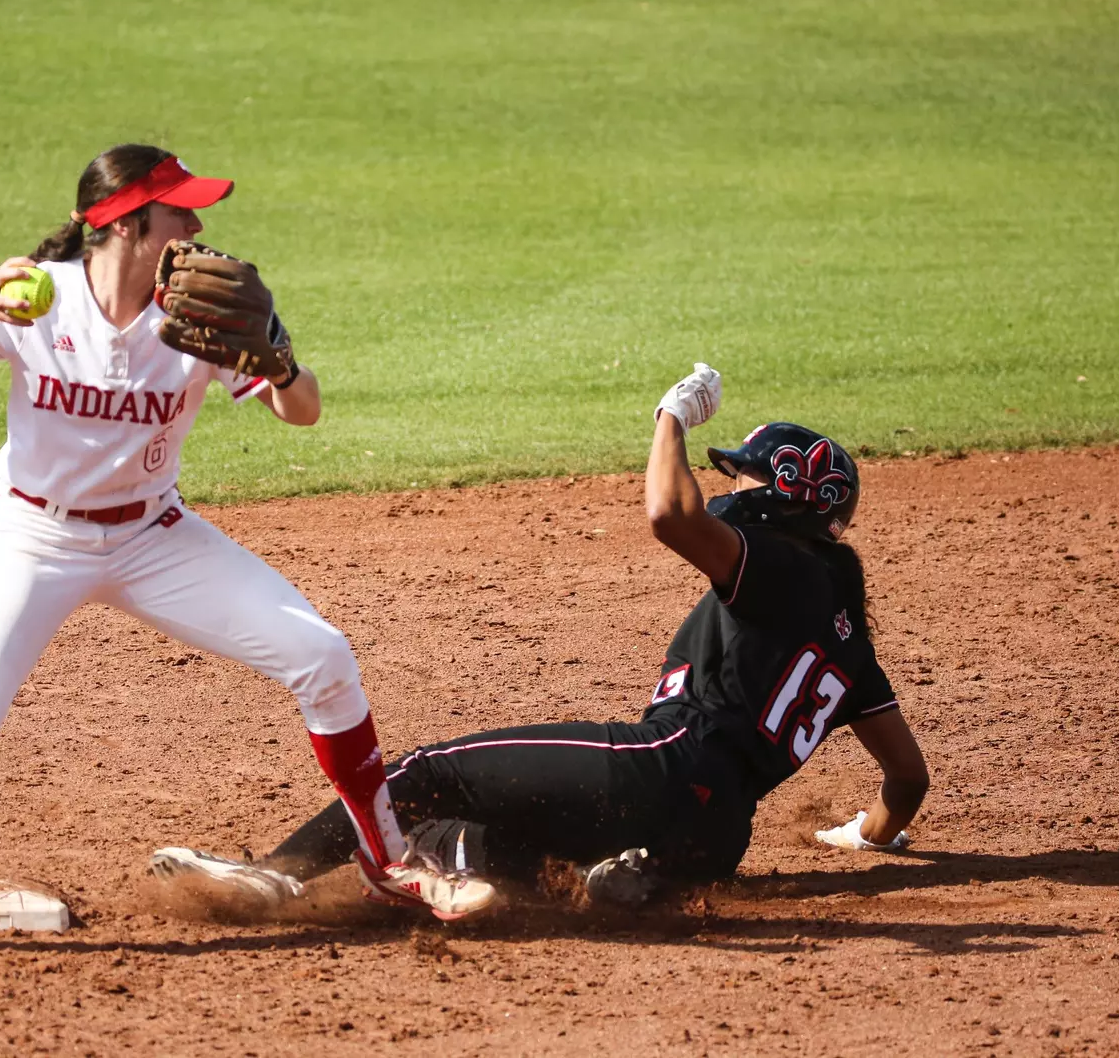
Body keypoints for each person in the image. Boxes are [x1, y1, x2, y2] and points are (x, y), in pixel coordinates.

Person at [0, 144, 494, 961]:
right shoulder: (39, 299)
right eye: (179, 212)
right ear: (124, 223)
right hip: (37, 538)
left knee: (323, 655)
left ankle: (388, 863)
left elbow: (301, 412)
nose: (198, 227)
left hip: (151, 537)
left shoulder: (202, 313)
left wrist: (279, 357)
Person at [150, 363, 931, 906]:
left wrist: (671, 418)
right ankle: (608, 883)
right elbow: (907, 780)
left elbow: (670, 515)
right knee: (479, 837)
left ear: (791, 503)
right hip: (717, 838)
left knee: (430, 773)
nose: (731, 488)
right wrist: (869, 838)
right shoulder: (845, 630)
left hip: (660, 767)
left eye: (747, 479)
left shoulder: (787, 566)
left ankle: (277, 876)